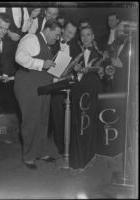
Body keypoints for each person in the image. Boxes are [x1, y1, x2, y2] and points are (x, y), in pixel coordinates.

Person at [14, 19, 62, 170]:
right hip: (28, 85)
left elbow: (47, 68)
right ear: (47, 30)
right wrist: (42, 64)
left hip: (44, 86)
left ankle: (41, 152)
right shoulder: (31, 38)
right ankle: (28, 157)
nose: (58, 38)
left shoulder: (48, 45)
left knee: (43, 119)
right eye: (56, 34)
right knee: (31, 120)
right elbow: (19, 58)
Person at [69, 26, 104, 170]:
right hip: (78, 92)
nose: (85, 38)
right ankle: (78, 159)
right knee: (78, 125)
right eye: (83, 35)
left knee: (89, 125)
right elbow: (69, 72)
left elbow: (103, 75)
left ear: (93, 36)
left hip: (92, 92)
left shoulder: (100, 53)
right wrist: (74, 69)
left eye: (88, 35)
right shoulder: (76, 52)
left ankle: (89, 156)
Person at [49, 20, 78, 155]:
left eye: (72, 34)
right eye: (68, 31)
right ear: (63, 29)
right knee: (58, 118)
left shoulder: (76, 46)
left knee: (70, 118)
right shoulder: (52, 42)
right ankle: (61, 148)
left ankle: (70, 146)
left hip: (69, 87)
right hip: (55, 86)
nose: (69, 35)